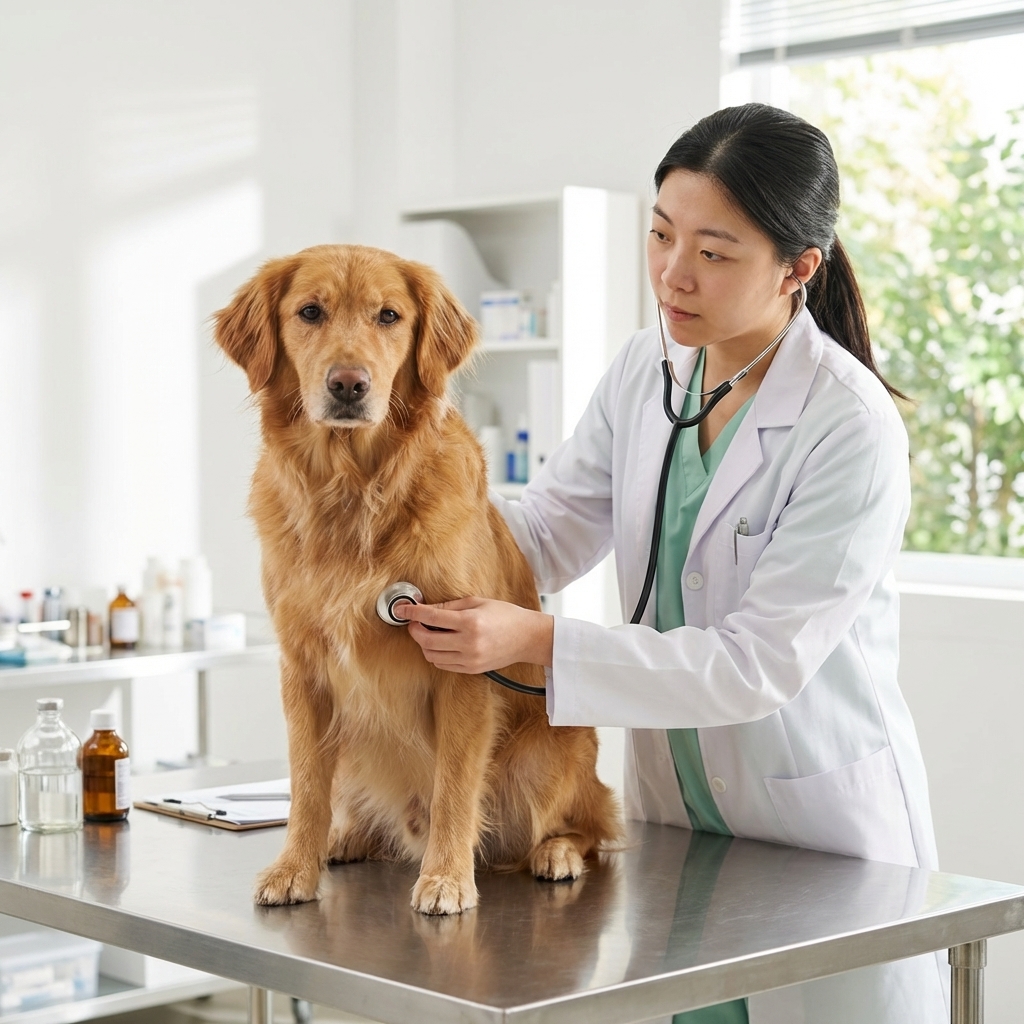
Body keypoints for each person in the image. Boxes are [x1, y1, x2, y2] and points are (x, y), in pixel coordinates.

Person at [401, 103, 947, 1024]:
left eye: (713, 251)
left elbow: (753, 664)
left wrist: (536, 638)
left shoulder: (849, 428)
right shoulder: (647, 368)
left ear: (798, 268)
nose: (671, 273)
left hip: (818, 845)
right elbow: (554, 524)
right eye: (660, 235)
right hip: (678, 830)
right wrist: (422, 515)